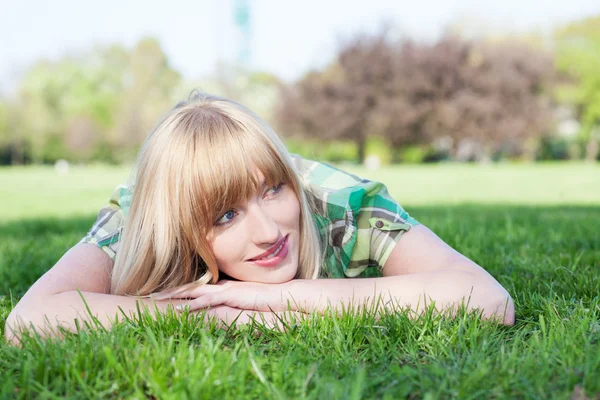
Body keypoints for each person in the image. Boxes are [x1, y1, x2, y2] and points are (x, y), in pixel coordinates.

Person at [5, 92, 514, 344]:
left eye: (273, 190)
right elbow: (28, 321)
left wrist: (279, 297)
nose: (269, 231)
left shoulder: (343, 205)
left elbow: (489, 301)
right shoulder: (143, 217)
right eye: (225, 214)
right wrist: (214, 310)